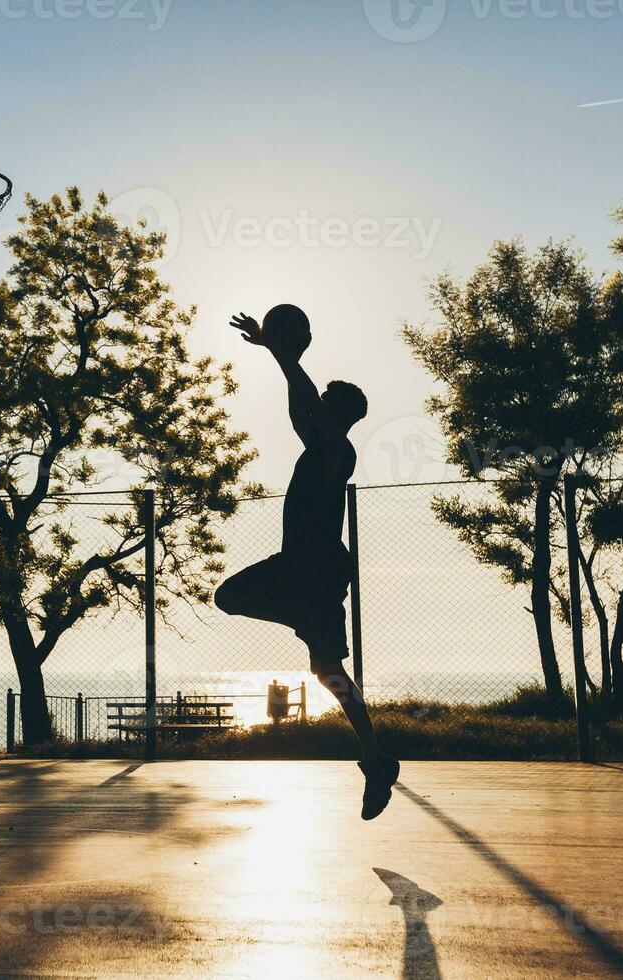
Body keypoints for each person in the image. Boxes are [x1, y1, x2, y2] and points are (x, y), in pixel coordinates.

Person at [214, 305, 400, 820]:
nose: (318, 404)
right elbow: (300, 405)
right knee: (235, 602)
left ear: (342, 414)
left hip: (315, 570)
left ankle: (375, 759)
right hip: (299, 566)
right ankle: (377, 759)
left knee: (327, 669)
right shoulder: (316, 442)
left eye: (327, 403)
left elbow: (308, 407)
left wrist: (282, 352)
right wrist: (279, 356)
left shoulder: (338, 451)